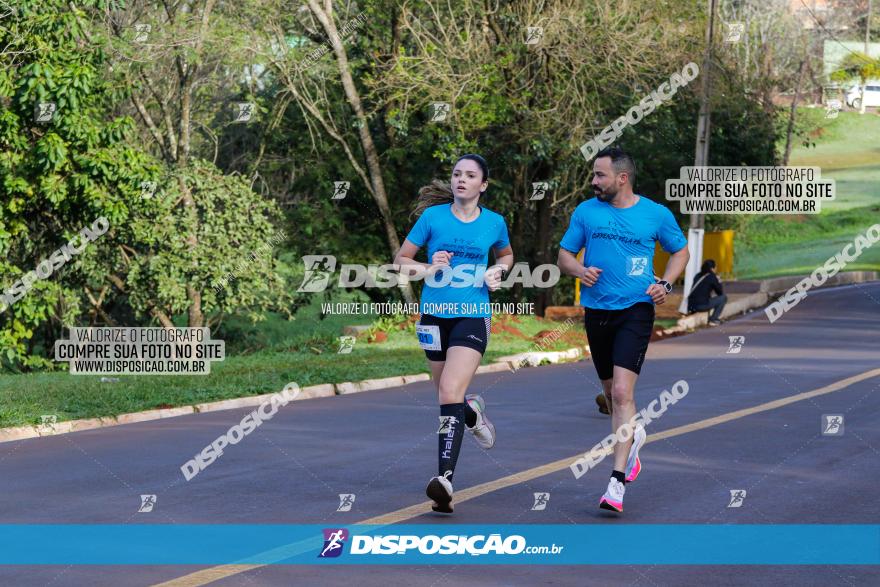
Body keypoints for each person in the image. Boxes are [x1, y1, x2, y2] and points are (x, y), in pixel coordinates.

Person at [556, 146, 689, 513]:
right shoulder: (586, 212)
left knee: (620, 391)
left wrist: (666, 283)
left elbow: (680, 251)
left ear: (622, 178)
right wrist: (579, 270)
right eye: (594, 175)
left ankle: (616, 482)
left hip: (636, 309)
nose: (594, 181)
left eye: (600, 175)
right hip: (597, 311)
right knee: (612, 399)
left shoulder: (655, 214)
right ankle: (634, 434)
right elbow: (564, 255)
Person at [394, 154, 514, 514]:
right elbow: (401, 259)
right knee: (447, 395)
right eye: (457, 174)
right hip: (433, 317)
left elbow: (507, 255)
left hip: (472, 316)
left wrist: (498, 271)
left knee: (448, 390)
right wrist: (429, 267)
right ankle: (472, 414)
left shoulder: (494, 222)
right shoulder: (432, 218)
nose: (461, 179)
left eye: (470, 175)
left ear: (483, 185)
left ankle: (444, 479)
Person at [687, 259, 726, 326]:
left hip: (691, 306)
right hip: (701, 306)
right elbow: (720, 292)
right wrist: (719, 281)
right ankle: (713, 319)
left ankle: (709, 317)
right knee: (723, 298)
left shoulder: (697, 275)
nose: (716, 269)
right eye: (715, 267)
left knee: (705, 297)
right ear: (712, 268)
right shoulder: (712, 276)